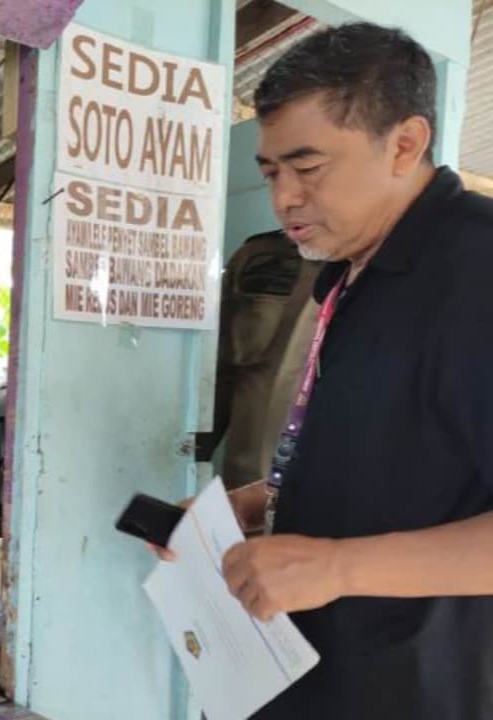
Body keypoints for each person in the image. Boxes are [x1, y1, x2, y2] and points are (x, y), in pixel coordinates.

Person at [160, 23, 493, 719]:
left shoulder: (476, 271)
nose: (284, 199)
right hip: (306, 675)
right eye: (272, 172)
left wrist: (337, 566)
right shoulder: (350, 270)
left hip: (412, 690)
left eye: (308, 169)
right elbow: (401, 456)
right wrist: (263, 499)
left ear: (404, 143)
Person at [210, 230, 320, 489]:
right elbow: (218, 374)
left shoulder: (391, 270)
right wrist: (193, 459)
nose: (289, 198)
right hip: (247, 481)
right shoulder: (261, 256)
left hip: (332, 488)